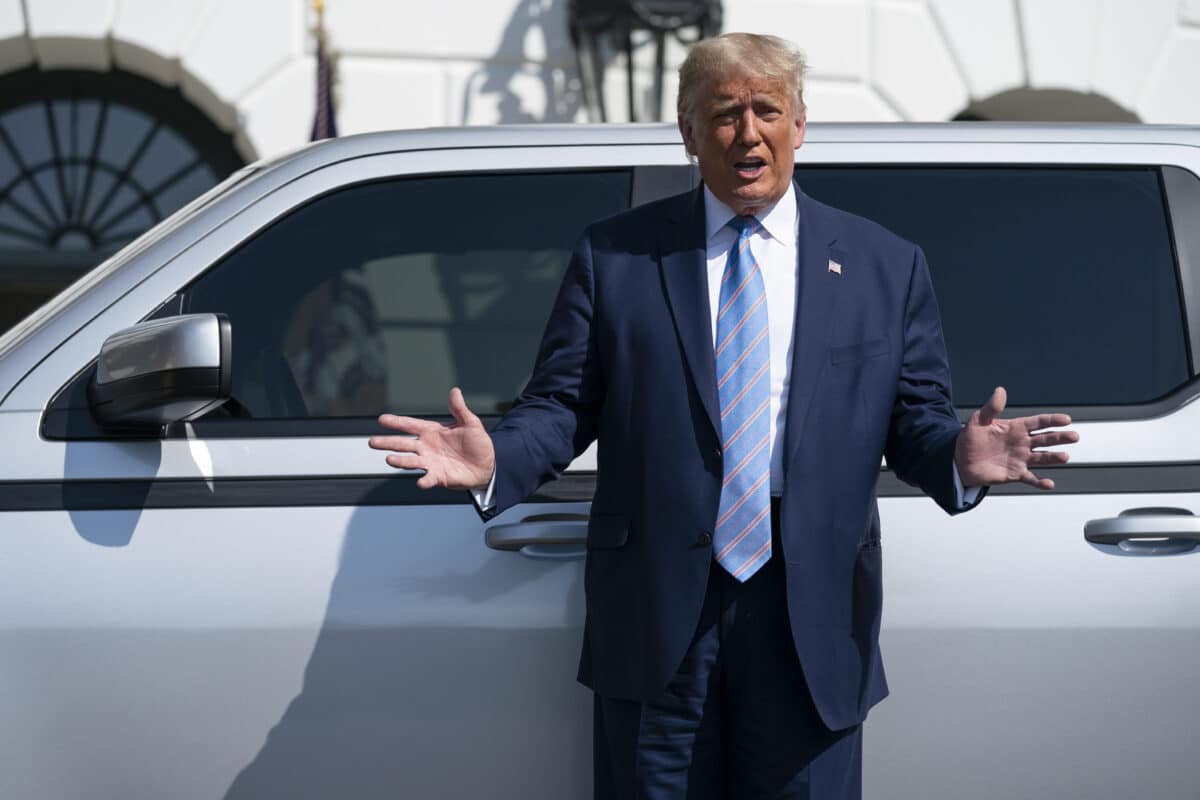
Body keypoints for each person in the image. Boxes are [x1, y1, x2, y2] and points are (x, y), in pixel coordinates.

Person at [368, 32, 1078, 800]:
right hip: (659, 615)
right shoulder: (618, 256)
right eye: (724, 114)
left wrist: (956, 459)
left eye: (767, 110)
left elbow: (915, 420)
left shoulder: (884, 264)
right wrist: (498, 460)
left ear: (799, 125)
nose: (748, 134)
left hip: (810, 615)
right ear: (689, 132)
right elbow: (563, 404)